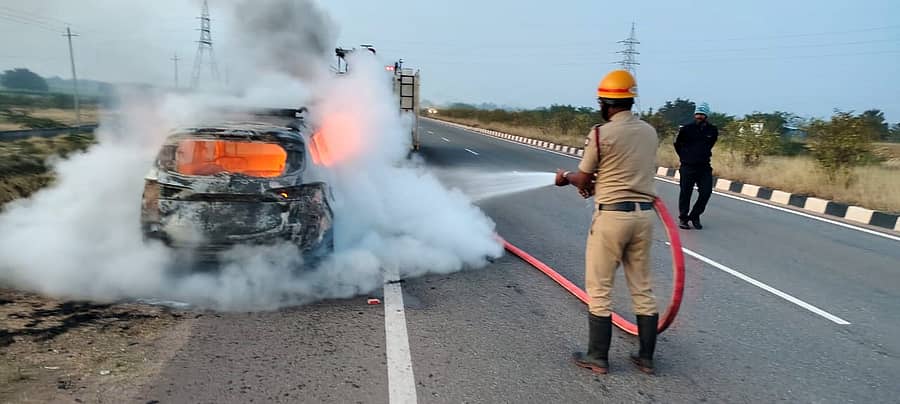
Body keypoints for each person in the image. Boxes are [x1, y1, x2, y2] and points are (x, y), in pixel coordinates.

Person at [555, 69, 660, 374]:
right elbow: (624, 169)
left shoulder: (601, 133)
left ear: (605, 103)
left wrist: (566, 178)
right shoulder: (650, 132)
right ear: (631, 100)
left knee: (600, 288)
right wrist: (596, 184)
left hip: (612, 217)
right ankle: (646, 358)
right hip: (644, 216)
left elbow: (584, 176)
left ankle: (597, 357)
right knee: (642, 287)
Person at [674, 102, 718, 230]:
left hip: (704, 167)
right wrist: (685, 157)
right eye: (697, 114)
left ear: (706, 116)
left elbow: (711, 144)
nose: (699, 116)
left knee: (706, 192)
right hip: (688, 166)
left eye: (702, 114)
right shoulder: (686, 129)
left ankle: (694, 215)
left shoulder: (712, 130)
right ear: (694, 115)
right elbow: (677, 144)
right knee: (685, 193)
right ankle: (683, 218)